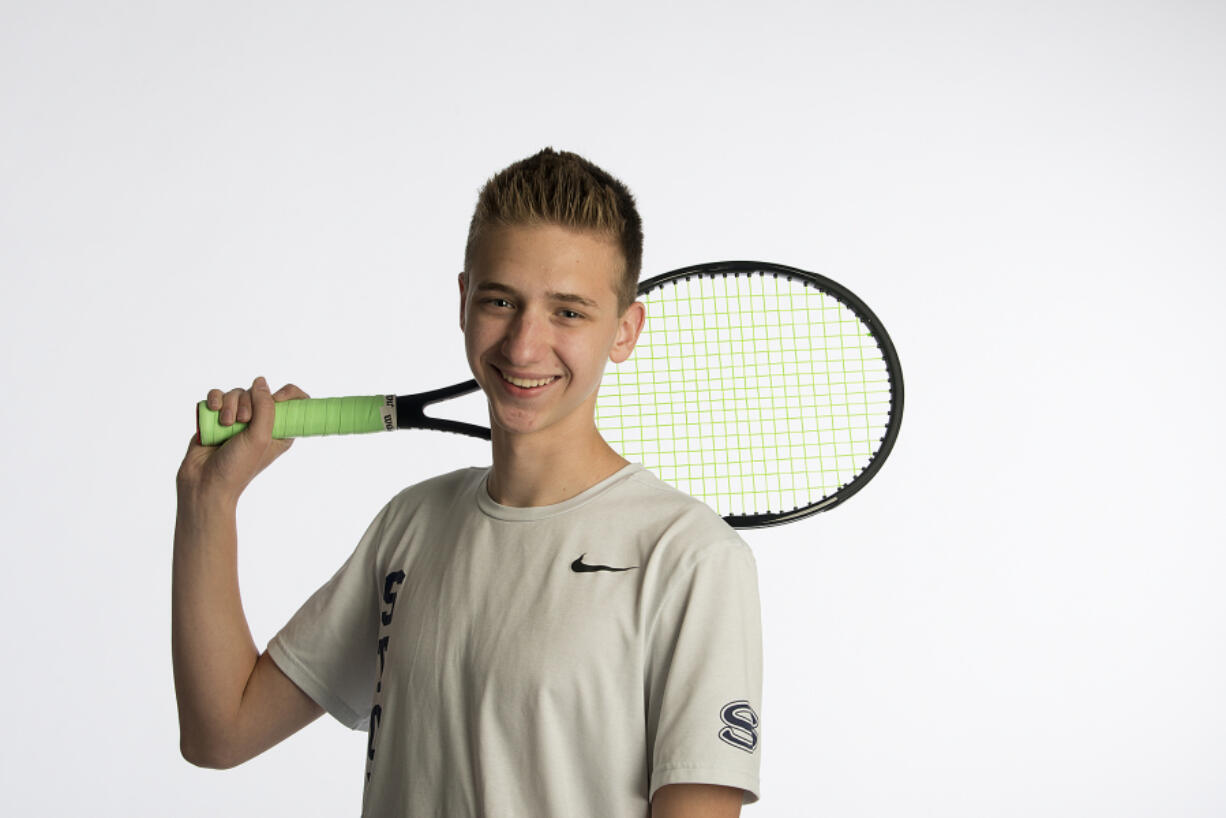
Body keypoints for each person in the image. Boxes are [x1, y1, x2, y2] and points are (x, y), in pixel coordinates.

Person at [173, 149, 763, 817]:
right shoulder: (412, 524)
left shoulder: (690, 558)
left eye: (568, 312)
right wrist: (207, 501)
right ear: (463, 301)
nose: (522, 344)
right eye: (501, 300)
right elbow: (220, 731)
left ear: (624, 331)